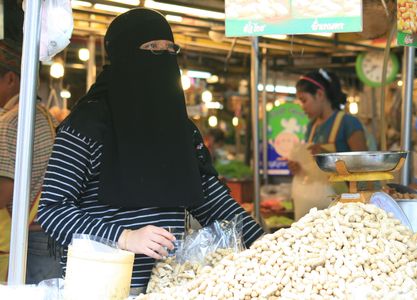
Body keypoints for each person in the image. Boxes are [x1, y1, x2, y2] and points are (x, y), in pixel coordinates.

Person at [37, 8, 264, 294]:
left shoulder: (179, 129)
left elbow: (210, 199)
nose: (164, 57)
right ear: (124, 53)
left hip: (169, 285)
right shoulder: (86, 126)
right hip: (101, 286)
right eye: (152, 48)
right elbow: (53, 210)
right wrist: (124, 237)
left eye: (170, 50)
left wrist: (264, 243)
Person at [0, 39, 60, 283]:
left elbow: (3, 193)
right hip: (50, 237)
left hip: (26, 241)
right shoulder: (44, 116)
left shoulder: (11, 122)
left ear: (12, 79)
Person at [288, 69, 367, 174]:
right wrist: (299, 168)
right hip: (318, 190)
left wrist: (328, 158)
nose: (302, 107)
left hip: (346, 190)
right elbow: (311, 168)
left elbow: (363, 165)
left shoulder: (348, 123)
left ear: (320, 94)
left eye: (304, 100)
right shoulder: (311, 127)